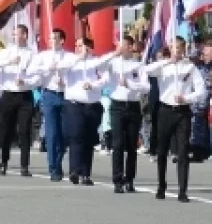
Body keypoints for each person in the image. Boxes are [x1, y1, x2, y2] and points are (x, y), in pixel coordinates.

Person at [144, 38, 206, 202]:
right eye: (173, 48)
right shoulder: (163, 66)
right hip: (165, 110)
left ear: (183, 49)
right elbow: (146, 70)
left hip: (182, 111)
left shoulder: (190, 67)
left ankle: (182, 190)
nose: (176, 51)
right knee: (162, 150)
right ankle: (161, 186)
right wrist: (166, 62)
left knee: (183, 150)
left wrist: (186, 97)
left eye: (179, 48)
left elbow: (201, 91)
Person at [0, 25, 36, 176]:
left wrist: (26, 82)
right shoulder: (6, 52)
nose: (15, 37)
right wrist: (9, 62)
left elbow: (37, 76)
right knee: (6, 130)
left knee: (24, 130)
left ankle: (24, 165)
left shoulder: (32, 54)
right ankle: (4, 161)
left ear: (25, 35)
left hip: (25, 95)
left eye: (18, 34)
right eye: (14, 34)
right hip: (8, 94)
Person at [62, 37, 109, 186]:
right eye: (75, 45)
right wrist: (78, 59)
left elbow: (105, 79)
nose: (76, 48)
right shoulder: (70, 60)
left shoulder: (96, 63)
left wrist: (94, 85)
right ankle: (74, 170)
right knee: (76, 136)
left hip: (92, 104)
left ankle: (86, 173)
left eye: (80, 46)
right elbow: (61, 68)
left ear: (88, 48)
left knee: (89, 139)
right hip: (74, 104)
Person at [105, 35, 148, 193]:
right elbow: (100, 66)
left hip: (133, 106)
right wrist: (113, 54)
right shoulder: (113, 63)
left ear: (131, 47)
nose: (121, 48)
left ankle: (129, 179)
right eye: (119, 45)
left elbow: (146, 87)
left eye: (124, 46)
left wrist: (130, 84)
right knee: (117, 144)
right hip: (117, 105)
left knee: (131, 145)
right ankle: (117, 179)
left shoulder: (139, 65)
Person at [30, 29, 74, 182]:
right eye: (50, 38)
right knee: (52, 133)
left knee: (64, 134)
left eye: (55, 38)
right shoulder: (43, 57)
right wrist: (47, 68)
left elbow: (74, 74)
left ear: (62, 40)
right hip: (49, 95)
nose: (52, 41)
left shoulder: (69, 56)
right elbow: (31, 70)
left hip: (65, 95)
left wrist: (65, 82)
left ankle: (59, 160)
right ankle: (53, 167)